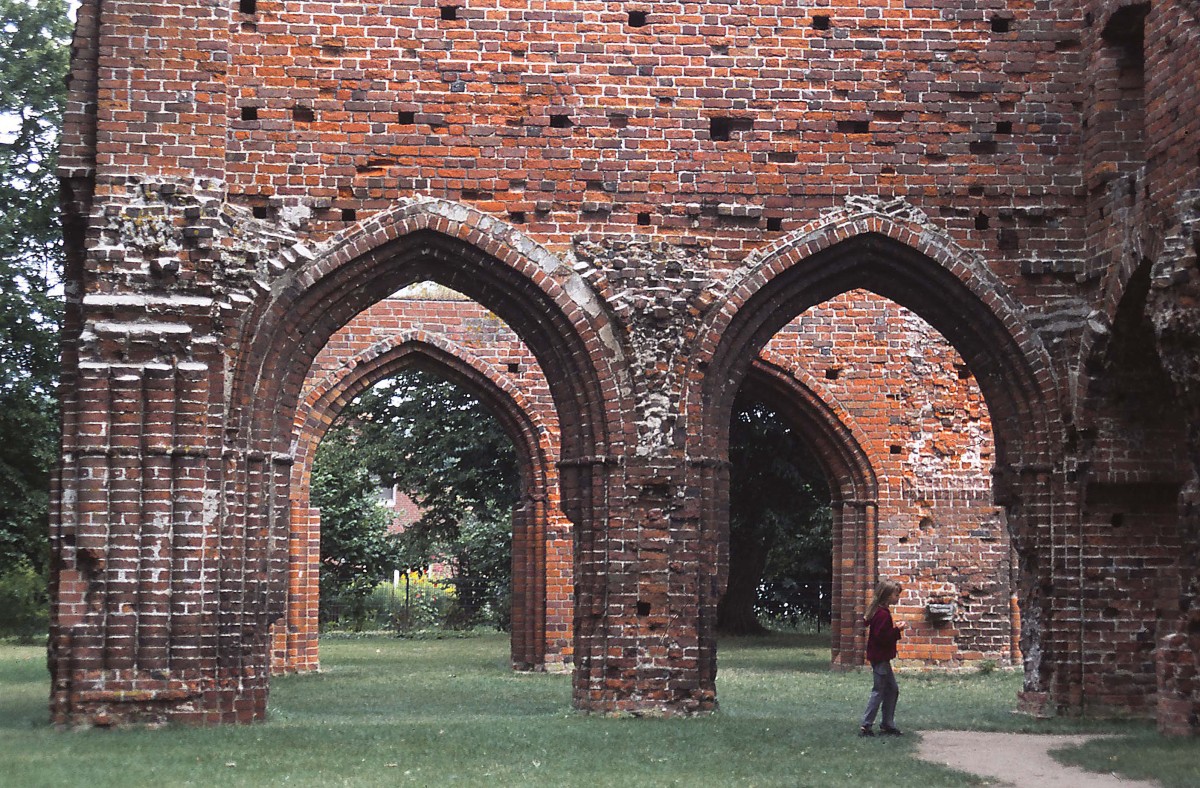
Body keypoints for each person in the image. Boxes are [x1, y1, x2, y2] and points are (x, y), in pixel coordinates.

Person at [859, 579, 906, 737]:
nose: (898, 597)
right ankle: (867, 725)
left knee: (891, 689)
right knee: (879, 691)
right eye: (895, 594)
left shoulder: (880, 612)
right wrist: (897, 630)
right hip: (880, 658)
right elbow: (882, 638)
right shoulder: (882, 615)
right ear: (887, 595)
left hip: (880, 658)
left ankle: (887, 723)